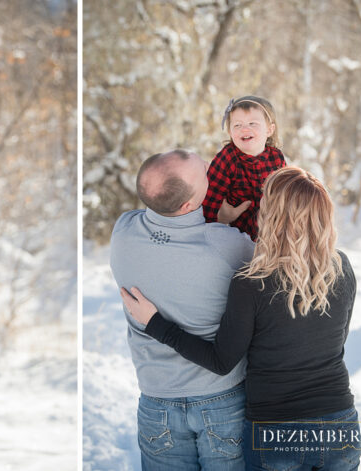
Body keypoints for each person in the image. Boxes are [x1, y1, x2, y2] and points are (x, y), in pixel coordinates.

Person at [121, 167, 361, 471]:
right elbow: (337, 340)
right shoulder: (342, 267)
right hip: (340, 424)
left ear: (271, 214)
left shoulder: (253, 281)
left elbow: (222, 361)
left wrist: (155, 324)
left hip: (275, 428)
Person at [109, 150, 255, 471]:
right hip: (222, 398)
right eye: (204, 172)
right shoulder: (229, 245)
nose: (208, 166)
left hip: (156, 401)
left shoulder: (123, 232)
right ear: (188, 205)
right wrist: (222, 224)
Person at [202, 95, 287, 241]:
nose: (245, 129)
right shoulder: (226, 159)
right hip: (235, 234)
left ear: (269, 130)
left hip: (271, 233)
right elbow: (210, 201)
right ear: (230, 131)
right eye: (237, 125)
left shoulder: (276, 158)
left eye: (253, 124)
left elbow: (285, 195)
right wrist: (210, 233)